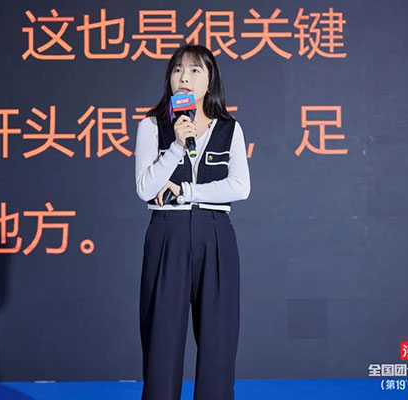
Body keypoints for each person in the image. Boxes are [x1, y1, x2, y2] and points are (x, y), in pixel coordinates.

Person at [134, 44, 250, 400]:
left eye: (195, 70)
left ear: (210, 80)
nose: (184, 76)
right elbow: (145, 188)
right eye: (177, 69)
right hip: (167, 234)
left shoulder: (229, 128)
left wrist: (186, 191)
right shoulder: (152, 126)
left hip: (215, 233)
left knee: (219, 338)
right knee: (162, 338)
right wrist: (175, 147)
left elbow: (240, 187)